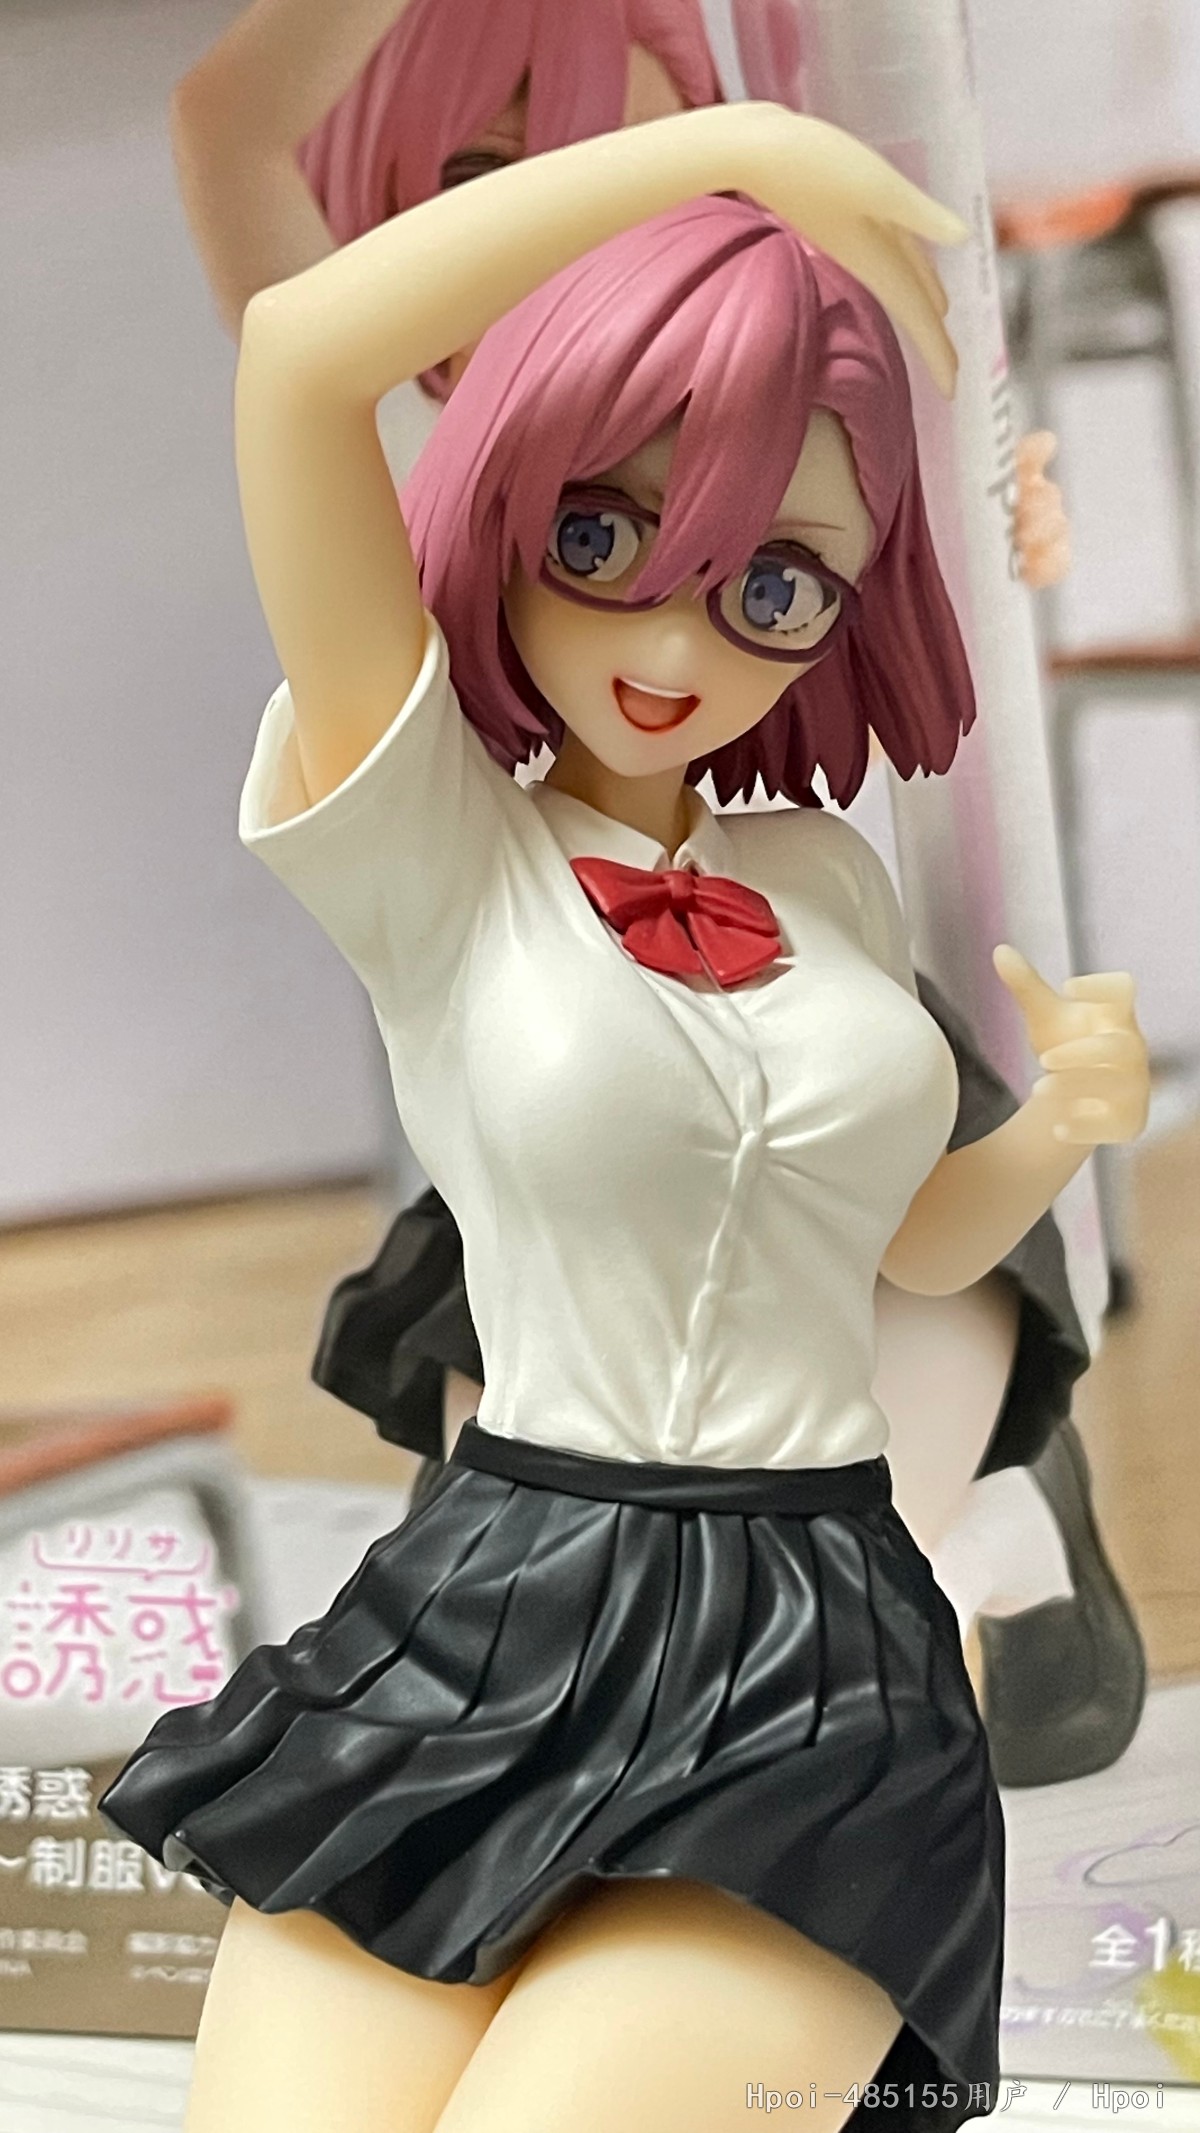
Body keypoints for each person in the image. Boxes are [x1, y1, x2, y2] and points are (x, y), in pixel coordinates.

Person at [101, 109, 1150, 2132]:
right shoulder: (431, 835)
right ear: (511, 498)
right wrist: (729, 150)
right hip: (491, 1599)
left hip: (811, 1645)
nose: (673, 648)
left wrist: (1052, 1133)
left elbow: (890, 1249)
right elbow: (302, 356)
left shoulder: (826, 881)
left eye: (774, 584)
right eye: (603, 542)